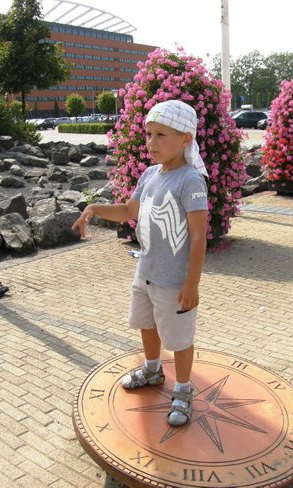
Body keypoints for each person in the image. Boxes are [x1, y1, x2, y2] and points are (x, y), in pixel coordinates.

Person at [72, 99, 208, 427]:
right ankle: (151, 370)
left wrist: (191, 284)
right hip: (145, 272)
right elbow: (129, 211)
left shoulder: (191, 181)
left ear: (186, 139)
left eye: (161, 135)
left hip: (174, 282)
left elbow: (198, 235)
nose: (151, 142)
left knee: (179, 339)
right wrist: (95, 208)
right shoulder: (149, 175)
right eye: (149, 134)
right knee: (147, 325)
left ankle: (183, 390)